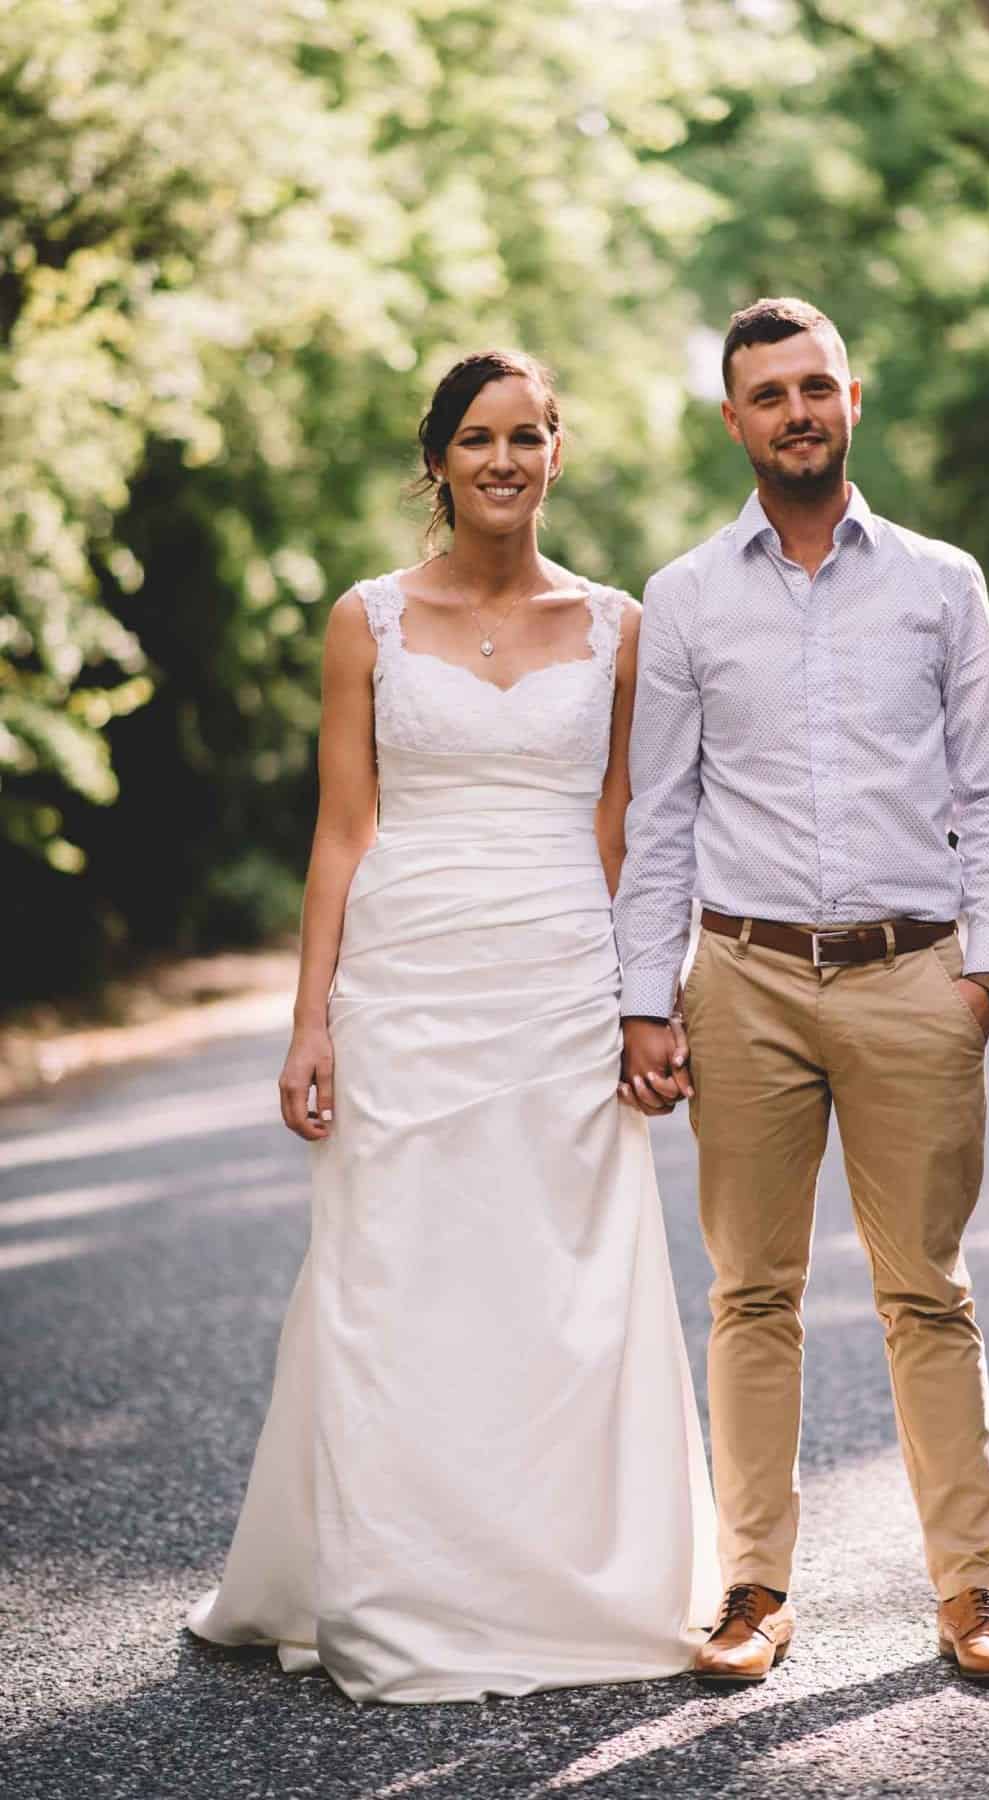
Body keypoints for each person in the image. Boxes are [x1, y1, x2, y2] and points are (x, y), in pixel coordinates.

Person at [188, 350, 719, 1704]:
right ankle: (398, 1584)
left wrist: (645, 1001)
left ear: (556, 452)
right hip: (407, 976)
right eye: (477, 438)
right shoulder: (364, 620)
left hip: (557, 972)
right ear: (436, 459)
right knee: (394, 1267)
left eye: (528, 436)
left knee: (565, 1272)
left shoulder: (616, 627)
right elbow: (343, 829)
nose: (503, 460)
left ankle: (578, 1578)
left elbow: (624, 831)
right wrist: (308, 1022)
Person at [615, 297, 989, 1687]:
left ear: (850, 398)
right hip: (738, 983)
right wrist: (646, 1001)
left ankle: (971, 1592)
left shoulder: (939, 581)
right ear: (732, 420)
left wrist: (981, 976)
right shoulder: (683, 598)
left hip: (913, 977)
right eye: (766, 394)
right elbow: (660, 818)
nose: (795, 412)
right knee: (750, 1293)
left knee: (926, 1293)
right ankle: (750, 1589)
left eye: (814, 387)